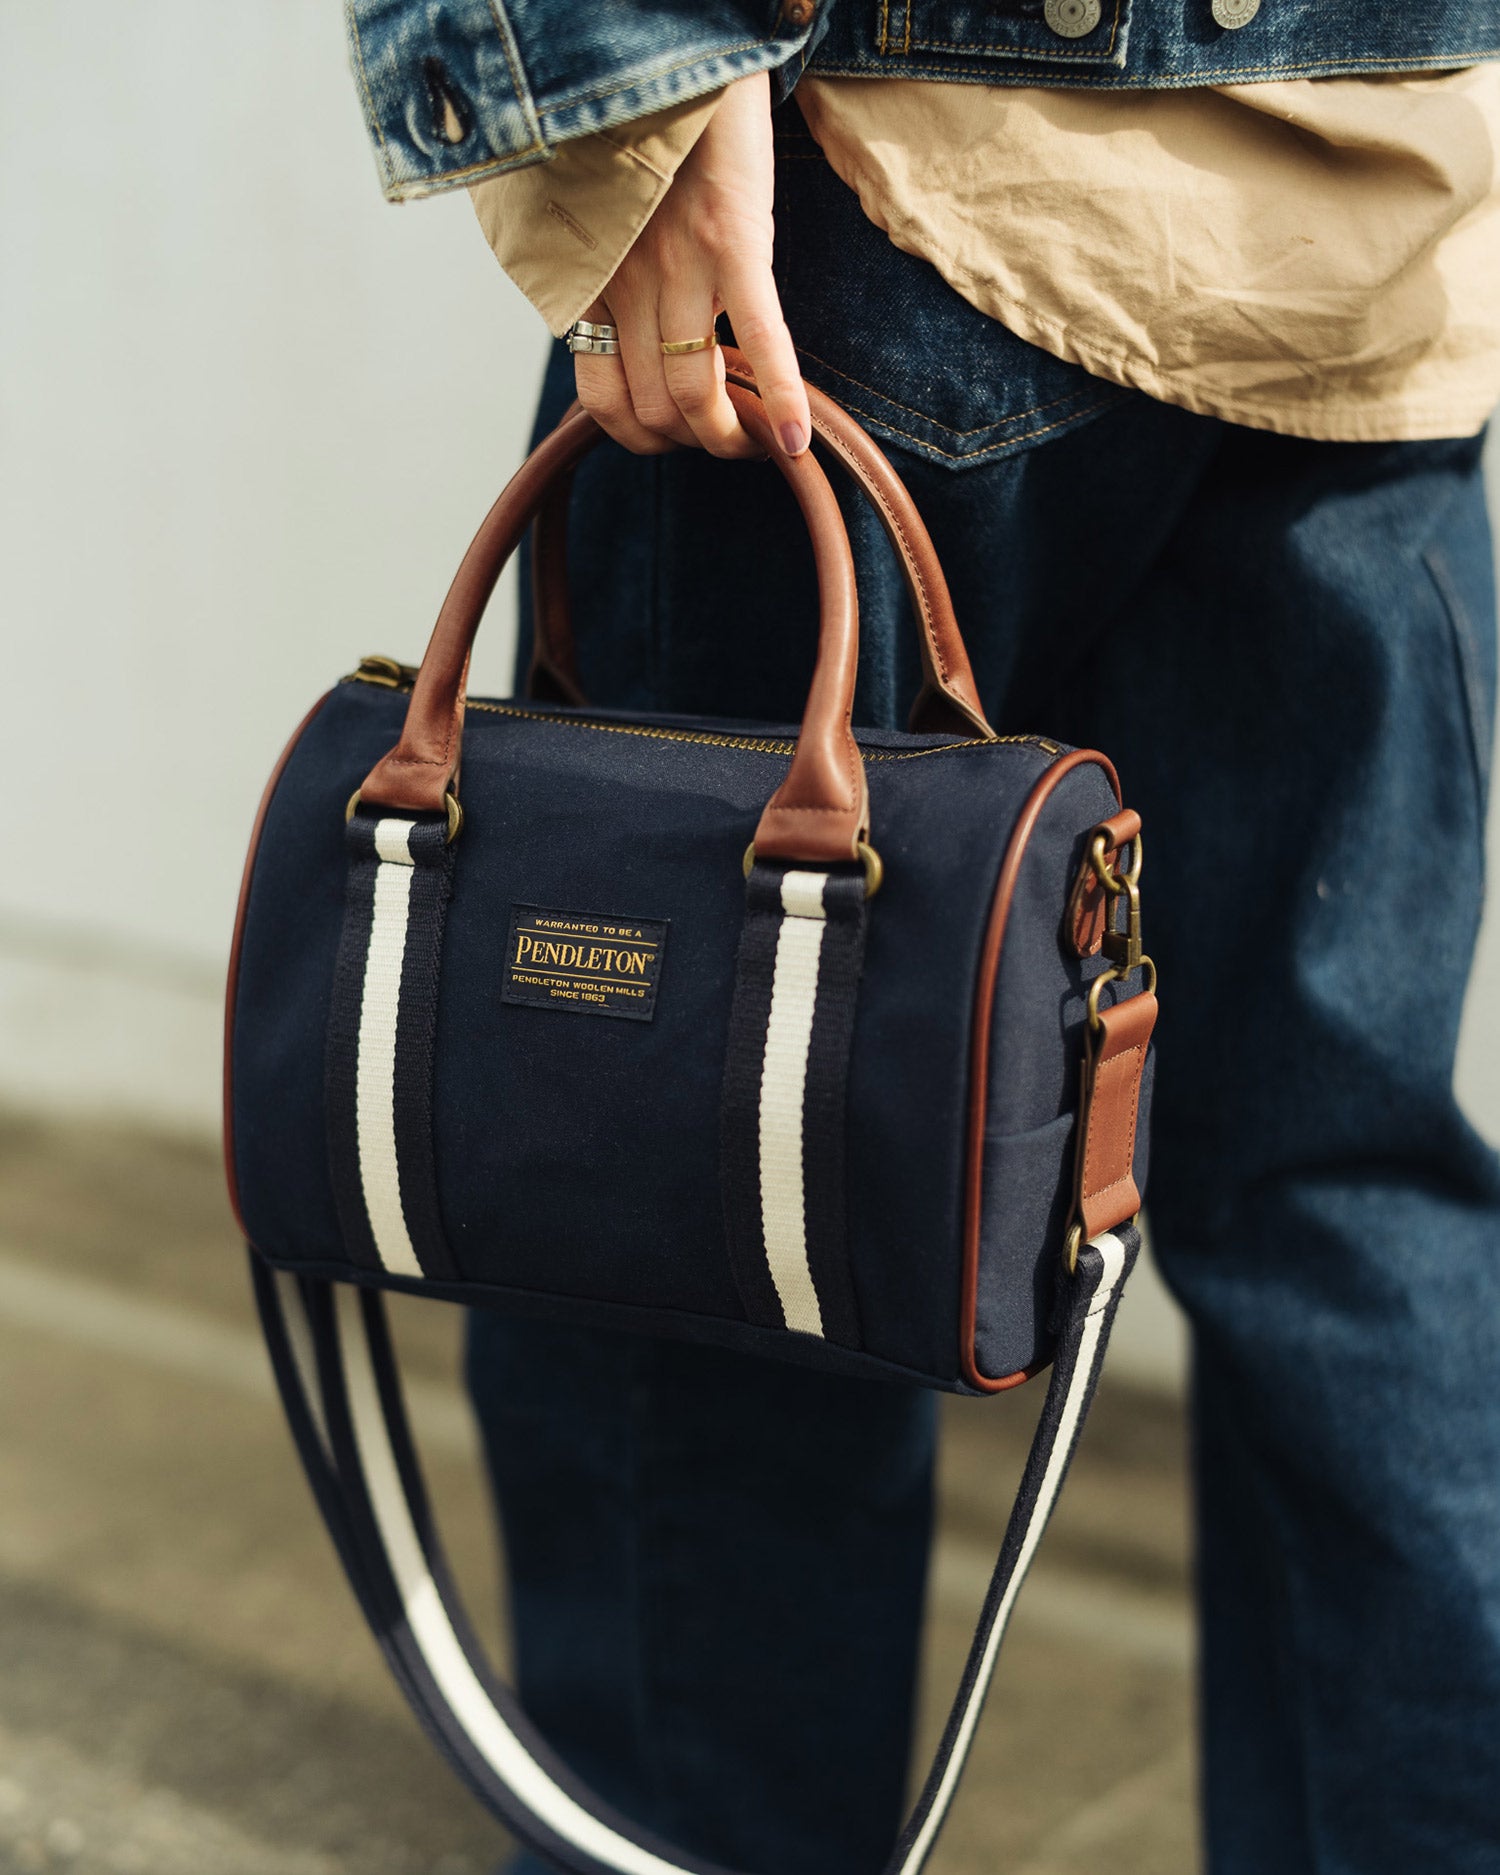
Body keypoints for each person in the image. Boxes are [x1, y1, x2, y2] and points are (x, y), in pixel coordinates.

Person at [344, 5, 1500, 1870]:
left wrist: (615, 95)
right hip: (1365, 225)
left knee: (707, 1191)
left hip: (893, 195)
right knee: (1341, 1197)